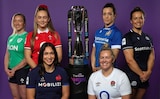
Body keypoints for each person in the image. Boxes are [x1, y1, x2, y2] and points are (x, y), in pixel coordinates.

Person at [122, 7, 155, 99]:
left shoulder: (148, 37)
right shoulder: (127, 37)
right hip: (132, 75)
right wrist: (142, 75)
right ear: (131, 21)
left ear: (144, 19)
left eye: (141, 18)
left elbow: (152, 56)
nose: (138, 20)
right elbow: (129, 60)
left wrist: (148, 72)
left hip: (145, 75)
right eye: (135, 18)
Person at [25, 4, 62, 69]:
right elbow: (27, 57)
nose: (42, 20)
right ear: (35, 19)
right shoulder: (30, 35)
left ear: (48, 19)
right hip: (35, 70)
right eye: (39, 17)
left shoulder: (55, 35)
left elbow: (59, 56)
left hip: (51, 71)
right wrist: (37, 71)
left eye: (44, 17)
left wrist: (49, 71)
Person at [4, 13, 29, 99]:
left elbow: (27, 58)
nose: (17, 23)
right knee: (15, 96)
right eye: (15, 20)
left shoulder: (27, 37)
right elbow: (7, 54)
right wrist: (6, 69)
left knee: (24, 96)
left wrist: (15, 69)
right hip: (11, 71)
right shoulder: (11, 38)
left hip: (22, 70)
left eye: (20, 21)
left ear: (24, 23)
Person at [91, 3, 122, 72]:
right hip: (96, 70)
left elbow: (113, 56)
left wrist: (101, 69)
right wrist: (93, 66)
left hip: (108, 71)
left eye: (109, 14)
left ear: (114, 16)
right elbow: (94, 51)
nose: (106, 17)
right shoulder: (98, 32)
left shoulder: (116, 33)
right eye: (104, 14)